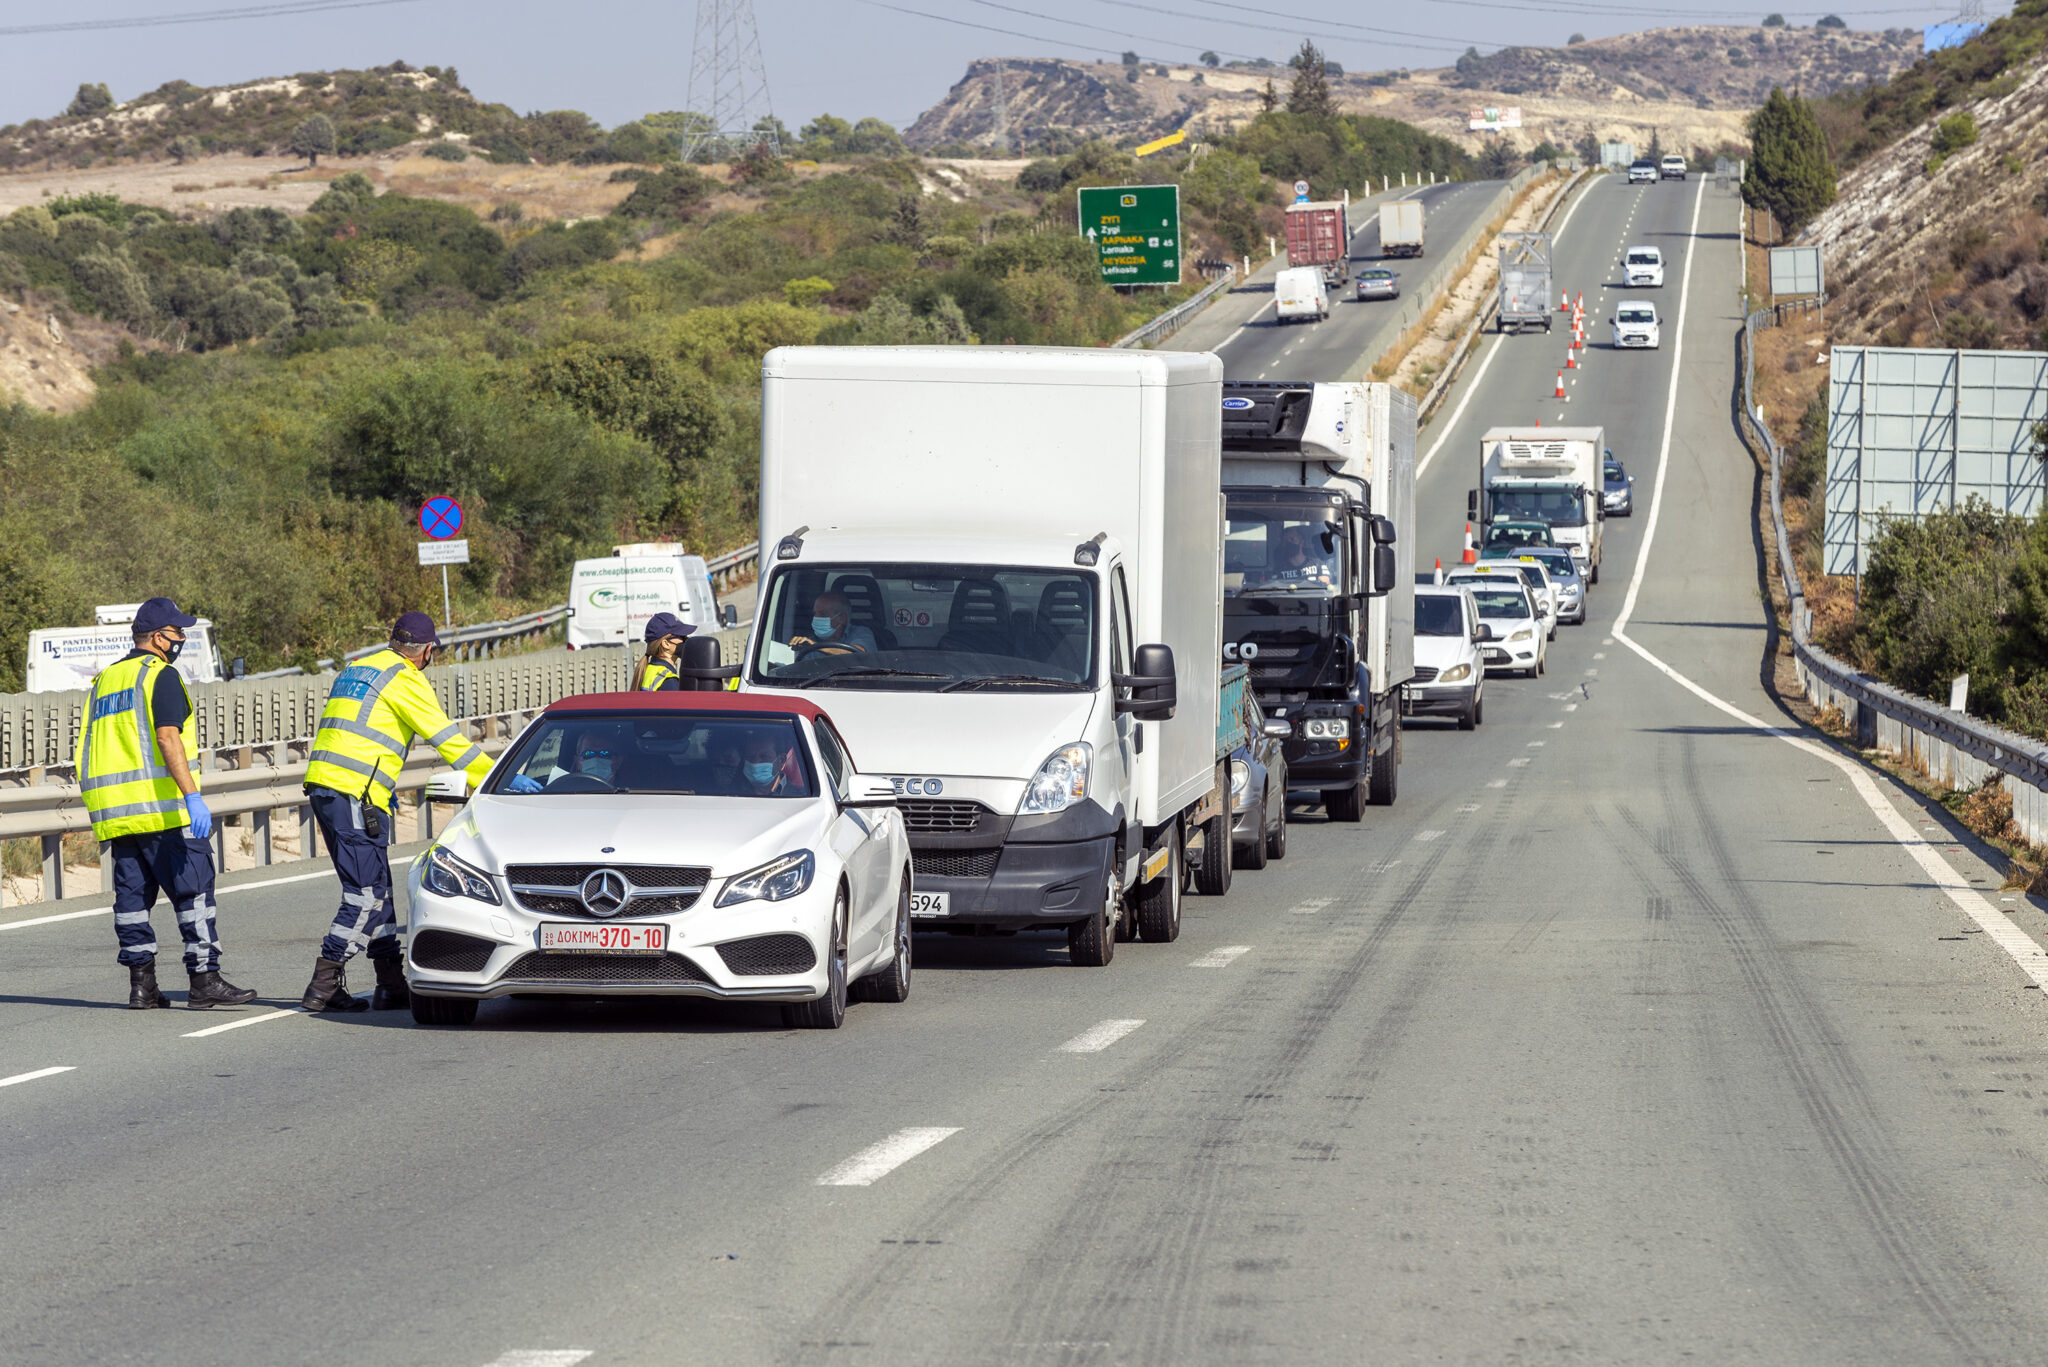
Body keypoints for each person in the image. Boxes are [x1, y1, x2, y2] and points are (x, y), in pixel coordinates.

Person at [298, 612, 495, 1013]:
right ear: (426, 651)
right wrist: (495, 777)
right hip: (354, 791)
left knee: (378, 887)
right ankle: (324, 981)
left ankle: (389, 982)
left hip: (329, 787)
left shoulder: (359, 667)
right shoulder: (405, 678)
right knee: (366, 894)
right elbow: (449, 741)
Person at [74, 597, 259, 1011]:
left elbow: (88, 748)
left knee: (132, 902)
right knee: (194, 892)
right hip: (163, 810)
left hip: (119, 816)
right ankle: (204, 978)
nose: (181, 639)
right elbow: (167, 737)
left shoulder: (105, 681)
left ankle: (142, 986)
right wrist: (192, 795)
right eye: (178, 633)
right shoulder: (160, 676)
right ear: (158, 638)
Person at [789, 591, 876, 656]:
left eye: (822, 614)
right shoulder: (808, 643)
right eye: (815, 614)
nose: (816, 618)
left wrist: (815, 646)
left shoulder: (861, 633)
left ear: (842, 618)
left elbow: (856, 654)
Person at [637, 611, 694, 691]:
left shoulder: (649, 669)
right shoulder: (668, 681)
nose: (686, 639)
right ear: (666, 643)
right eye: (682, 636)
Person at [738, 731, 795, 796]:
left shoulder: (798, 795)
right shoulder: (730, 790)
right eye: (750, 756)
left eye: (764, 757)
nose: (755, 762)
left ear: (781, 760)